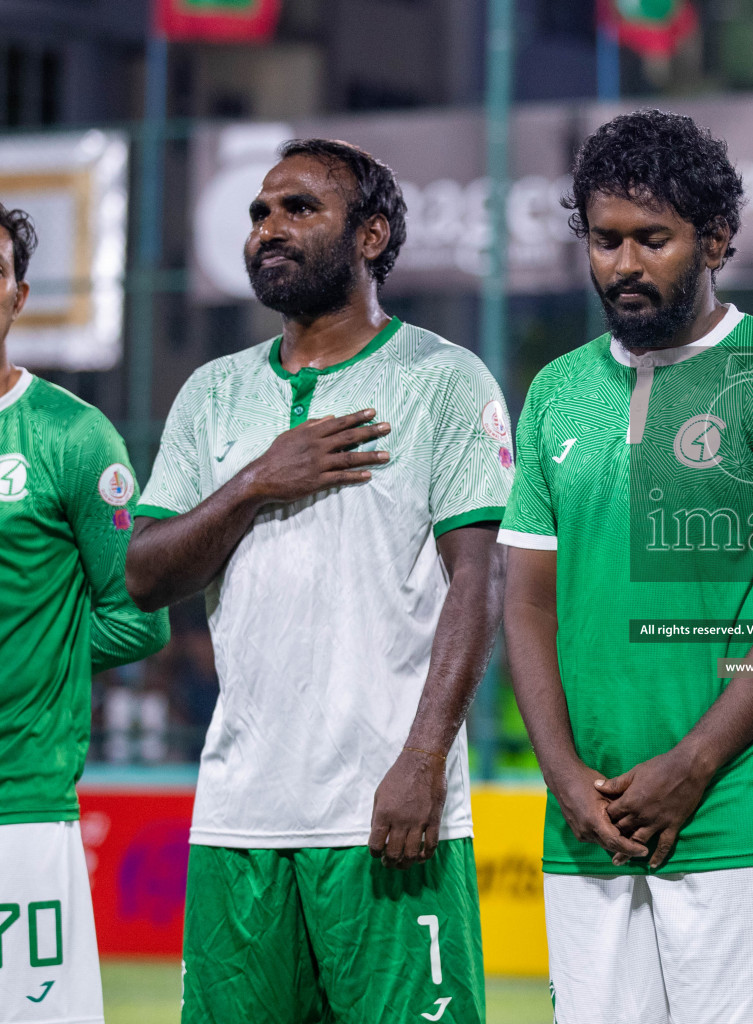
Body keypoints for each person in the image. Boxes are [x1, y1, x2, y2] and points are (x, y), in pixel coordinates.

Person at [124, 139, 509, 1023]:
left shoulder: (444, 380)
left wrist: (422, 762)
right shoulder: (212, 394)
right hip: (239, 814)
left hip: (386, 815)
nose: (269, 228)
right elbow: (144, 575)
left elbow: (477, 586)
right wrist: (258, 478)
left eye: (300, 209)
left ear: (371, 236)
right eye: (261, 212)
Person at [500, 109, 753, 1024]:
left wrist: (693, 766)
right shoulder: (556, 392)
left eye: (652, 240)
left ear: (716, 238)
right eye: (604, 239)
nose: (624, 265)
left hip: (748, 814)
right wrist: (563, 777)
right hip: (590, 825)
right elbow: (528, 607)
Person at [0, 202, 168, 1023]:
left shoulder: (71, 435)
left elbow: (139, 617)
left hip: (19, 800)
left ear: (18, 296)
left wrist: (33, 653)